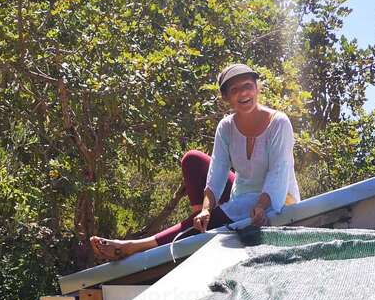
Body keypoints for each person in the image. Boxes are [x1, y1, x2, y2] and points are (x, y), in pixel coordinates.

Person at [89, 63, 300, 261]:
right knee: (193, 160)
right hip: (240, 196)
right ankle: (203, 223)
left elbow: (279, 172)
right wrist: (206, 209)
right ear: (226, 97)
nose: (243, 93)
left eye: (248, 86)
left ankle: (134, 246)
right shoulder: (226, 127)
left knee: (235, 208)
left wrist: (262, 206)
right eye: (235, 90)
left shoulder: (278, 123)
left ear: (257, 88)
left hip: (275, 198)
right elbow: (217, 171)